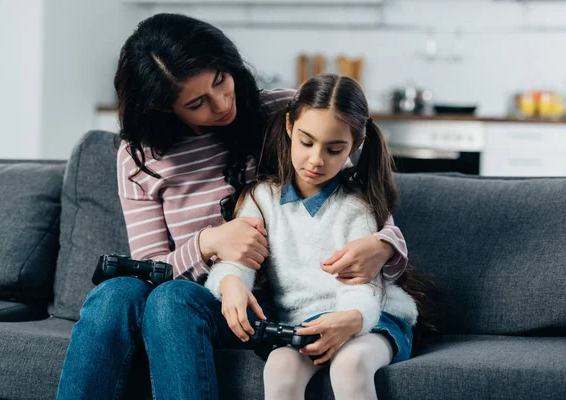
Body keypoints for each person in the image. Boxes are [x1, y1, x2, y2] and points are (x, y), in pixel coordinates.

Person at [56, 13, 409, 400]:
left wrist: (386, 244)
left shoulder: (282, 113)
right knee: (116, 293)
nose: (223, 103)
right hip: (199, 299)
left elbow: (356, 197)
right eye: (197, 102)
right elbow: (150, 267)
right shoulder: (140, 158)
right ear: (163, 109)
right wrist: (209, 243)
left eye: (221, 80)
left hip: (267, 306)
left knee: (171, 299)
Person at [205, 73, 428, 400]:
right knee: (280, 365)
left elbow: (362, 287)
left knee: (349, 364)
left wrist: (351, 321)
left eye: (334, 149)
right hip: (304, 324)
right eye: (306, 142)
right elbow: (237, 260)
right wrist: (231, 284)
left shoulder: (357, 207)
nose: (316, 160)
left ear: (355, 146)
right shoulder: (260, 199)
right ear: (289, 127)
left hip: (371, 318)